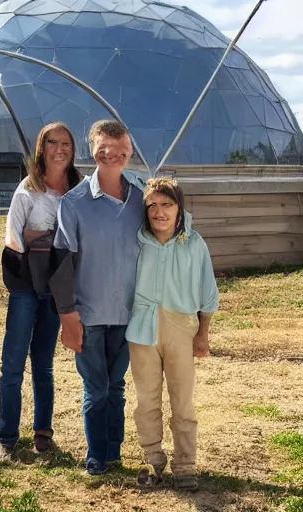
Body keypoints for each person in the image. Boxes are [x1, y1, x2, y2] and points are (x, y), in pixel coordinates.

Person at [51, 120, 145, 475]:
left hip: (129, 313)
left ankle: (114, 452)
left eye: (120, 150)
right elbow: (61, 262)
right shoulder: (74, 203)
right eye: (104, 148)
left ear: (130, 152)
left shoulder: (141, 199)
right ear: (93, 150)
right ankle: (96, 455)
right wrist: (67, 314)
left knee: (117, 386)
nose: (112, 155)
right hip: (88, 313)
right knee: (96, 386)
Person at [0, 122, 84, 460]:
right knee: (12, 363)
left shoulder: (79, 190)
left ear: (73, 150)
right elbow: (13, 239)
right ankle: (6, 438)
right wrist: (44, 240)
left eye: (66, 144)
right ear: (41, 148)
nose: (59, 149)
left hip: (56, 288)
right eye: (52, 143)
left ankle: (43, 432)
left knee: (43, 363)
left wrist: (39, 237)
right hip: (27, 287)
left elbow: (80, 238)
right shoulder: (28, 190)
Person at [127, 177, 219, 492]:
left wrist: (202, 333)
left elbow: (208, 292)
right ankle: (152, 459)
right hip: (142, 329)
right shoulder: (137, 241)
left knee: (183, 400)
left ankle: (186, 464)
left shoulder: (194, 243)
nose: (159, 212)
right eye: (152, 205)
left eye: (166, 204)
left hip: (181, 327)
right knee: (146, 399)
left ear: (179, 209)